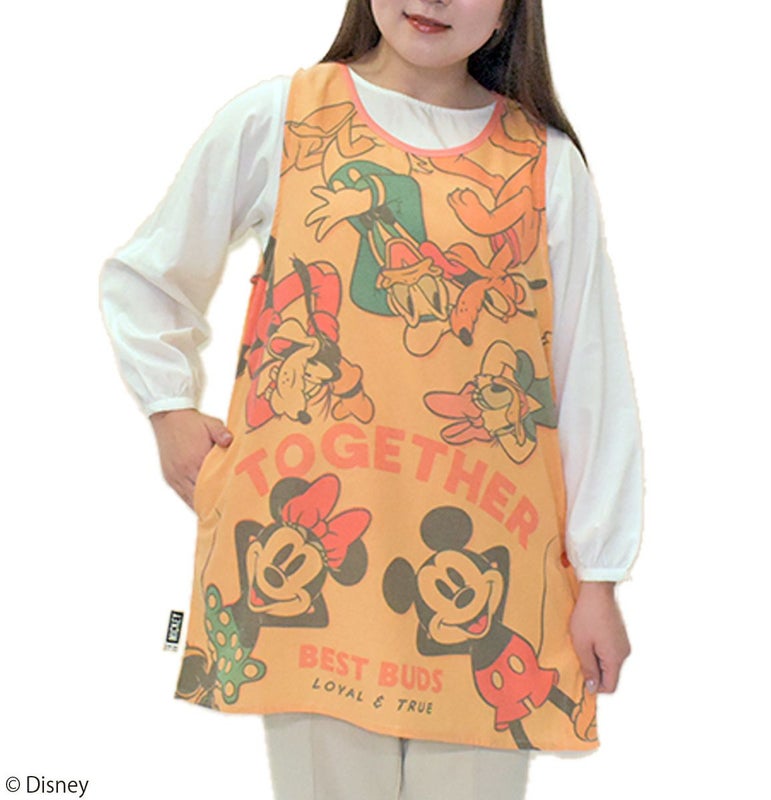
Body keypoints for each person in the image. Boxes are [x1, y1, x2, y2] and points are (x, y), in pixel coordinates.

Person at [100, 1, 642, 797]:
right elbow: (148, 275)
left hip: (494, 576)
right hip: (317, 579)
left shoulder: (546, 165)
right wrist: (168, 409)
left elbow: (589, 375)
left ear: (508, 11)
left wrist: (599, 575)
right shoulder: (282, 116)